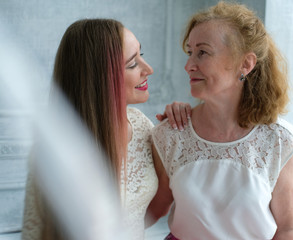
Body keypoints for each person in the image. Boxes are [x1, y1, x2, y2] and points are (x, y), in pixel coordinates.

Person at [147, 2, 293, 239]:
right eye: (190, 52)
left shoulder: (279, 140)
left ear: (246, 64)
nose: (189, 65)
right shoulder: (170, 133)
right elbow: (156, 208)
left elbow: (288, 228)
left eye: (203, 52)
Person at [21, 19, 186, 240]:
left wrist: (175, 130)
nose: (148, 69)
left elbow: (157, 206)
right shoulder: (51, 151)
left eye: (141, 55)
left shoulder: (141, 124)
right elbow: (35, 232)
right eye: (132, 64)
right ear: (99, 77)